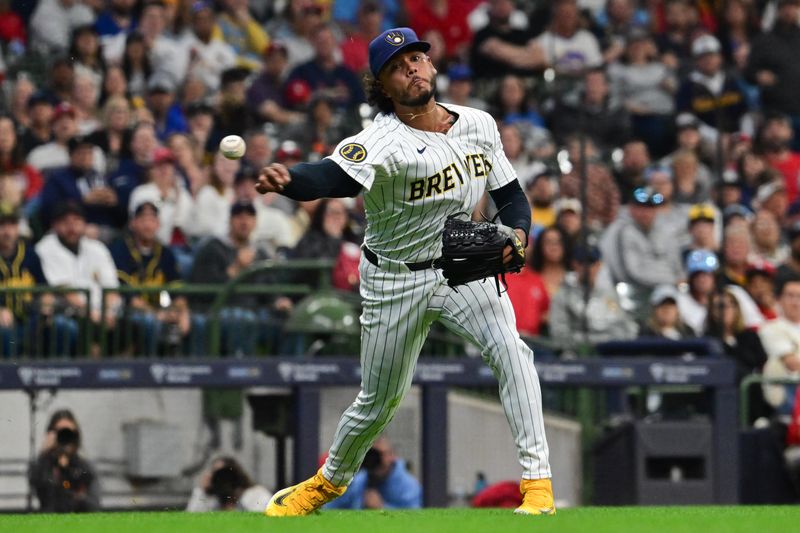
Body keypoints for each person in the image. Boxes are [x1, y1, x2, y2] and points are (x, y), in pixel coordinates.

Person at [257, 27, 554, 516]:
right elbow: (331, 176)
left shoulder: (478, 123)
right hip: (395, 278)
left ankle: (537, 484)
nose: (411, 69)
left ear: (431, 66)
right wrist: (290, 180)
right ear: (383, 86)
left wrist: (518, 236)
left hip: (463, 269)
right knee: (379, 400)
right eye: (397, 67)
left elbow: (512, 198)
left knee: (512, 353)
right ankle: (327, 485)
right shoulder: (381, 140)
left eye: (416, 58)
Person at [29, 409, 100, 512]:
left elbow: (93, 504)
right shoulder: (44, 465)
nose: (65, 437)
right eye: (61, 433)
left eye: (69, 433)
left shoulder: (85, 467)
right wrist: (44, 454)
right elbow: (41, 493)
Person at [325, 436, 422, 509]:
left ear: (391, 455)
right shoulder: (359, 480)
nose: (374, 459)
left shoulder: (408, 486)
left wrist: (381, 507)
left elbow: (416, 518)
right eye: (370, 454)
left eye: (379, 455)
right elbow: (329, 508)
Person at [186, 456, 272, 512]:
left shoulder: (257, 493)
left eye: (225, 475)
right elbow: (191, 519)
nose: (222, 479)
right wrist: (202, 492)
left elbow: (261, 517)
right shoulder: (212, 498)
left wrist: (234, 501)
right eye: (217, 474)